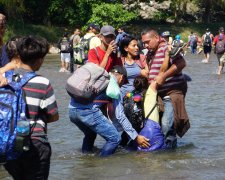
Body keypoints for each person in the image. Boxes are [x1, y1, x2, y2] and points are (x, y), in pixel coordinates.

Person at [3, 36, 59, 180]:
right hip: (35, 142)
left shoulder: (4, 78)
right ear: (40, 60)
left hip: (9, 143)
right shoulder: (42, 82)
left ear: (18, 56)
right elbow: (54, 116)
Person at [69, 65, 150, 156]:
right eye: (123, 82)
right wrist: (135, 136)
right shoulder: (114, 86)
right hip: (87, 113)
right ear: (121, 77)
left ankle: (86, 159)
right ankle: (101, 164)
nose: (122, 85)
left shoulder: (99, 79)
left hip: (72, 110)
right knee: (115, 139)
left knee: (90, 134)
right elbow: (120, 116)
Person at [141, 29, 190, 149]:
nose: (145, 45)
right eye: (144, 43)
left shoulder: (166, 49)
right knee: (158, 126)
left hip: (171, 92)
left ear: (157, 38)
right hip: (157, 94)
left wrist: (164, 76)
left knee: (167, 125)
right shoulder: (150, 53)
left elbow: (182, 63)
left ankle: (169, 154)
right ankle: (166, 150)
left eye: (148, 42)